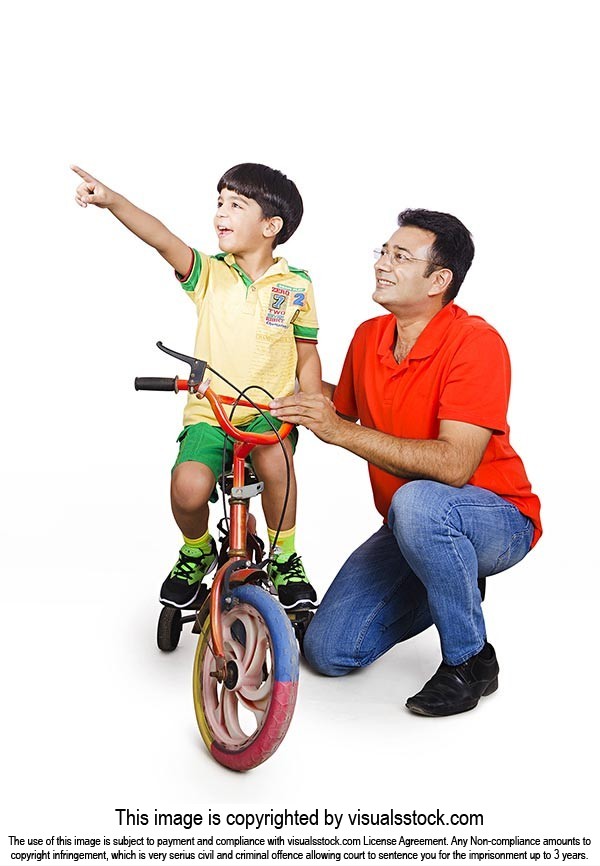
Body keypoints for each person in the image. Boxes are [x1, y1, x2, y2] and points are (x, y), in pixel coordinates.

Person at [270, 208, 541, 717]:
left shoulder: (476, 343)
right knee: (328, 652)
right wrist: (270, 377)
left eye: (400, 256)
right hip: (410, 523)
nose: (382, 264)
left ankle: (470, 661)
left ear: (440, 280)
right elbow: (338, 407)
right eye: (383, 252)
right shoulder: (370, 336)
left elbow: (455, 466)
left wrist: (338, 431)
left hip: (498, 517)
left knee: (419, 501)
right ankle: (445, 572)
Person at [72, 162, 321, 611]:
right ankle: (197, 547)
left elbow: (306, 353)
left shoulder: (296, 285)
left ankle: (285, 555)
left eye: (236, 205)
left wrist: (312, 398)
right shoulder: (210, 273)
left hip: (269, 413)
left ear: (271, 226)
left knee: (276, 462)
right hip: (211, 412)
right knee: (187, 488)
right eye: (220, 202)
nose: (220, 213)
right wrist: (112, 202)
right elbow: (162, 238)